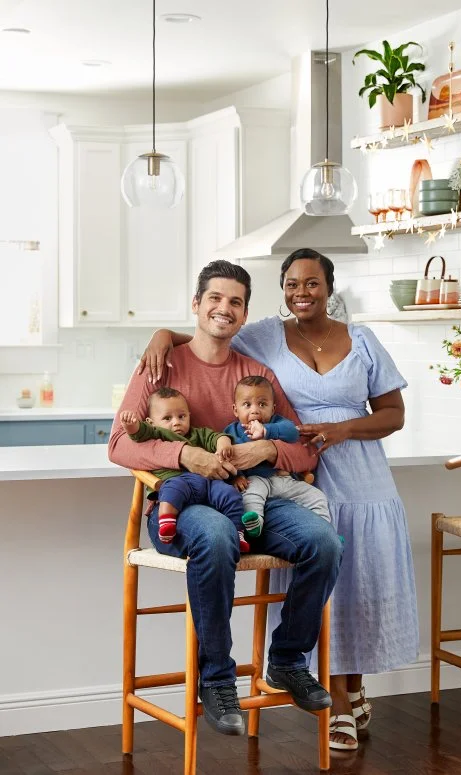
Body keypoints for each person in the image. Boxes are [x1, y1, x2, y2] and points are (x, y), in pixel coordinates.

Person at [141, 249, 419, 751]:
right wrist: (165, 335)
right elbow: (211, 332)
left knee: (356, 574)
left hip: (347, 472)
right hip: (279, 482)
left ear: (329, 288)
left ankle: (335, 683)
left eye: (311, 284)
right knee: (309, 564)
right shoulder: (256, 336)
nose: (301, 293)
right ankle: (279, 689)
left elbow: (393, 413)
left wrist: (324, 433)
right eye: (291, 284)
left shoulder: (360, 340)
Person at [109, 259, 343, 738]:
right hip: (183, 507)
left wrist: (270, 447)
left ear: (244, 313)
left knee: (324, 541)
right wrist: (185, 454)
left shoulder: (255, 373)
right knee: (215, 536)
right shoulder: (161, 364)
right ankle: (216, 681)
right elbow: (119, 443)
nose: (224, 308)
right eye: (214, 298)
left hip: (251, 500)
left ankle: (287, 661)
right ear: (196, 305)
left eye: (235, 302)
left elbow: (301, 446)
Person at [120, 386, 258, 552]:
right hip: (179, 481)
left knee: (230, 495)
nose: (176, 422)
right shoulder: (157, 433)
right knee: (171, 490)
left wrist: (223, 445)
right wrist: (131, 425)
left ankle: (239, 533)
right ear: (151, 422)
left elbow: (217, 437)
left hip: (208, 484)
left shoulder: (197, 434)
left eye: (181, 416)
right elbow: (139, 433)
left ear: (189, 416)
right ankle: (167, 523)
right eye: (167, 418)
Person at [225, 375, 330, 534]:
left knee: (317, 497)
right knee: (250, 497)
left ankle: (326, 529)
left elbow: (293, 434)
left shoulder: (277, 423)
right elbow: (228, 457)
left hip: (283, 479)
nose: (255, 410)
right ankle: (255, 525)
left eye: (262, 404)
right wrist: (236, 476)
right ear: (235, 409)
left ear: (272, 408)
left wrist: (267, 431)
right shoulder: (231, 432)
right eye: (247, 405)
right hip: (255, 479)